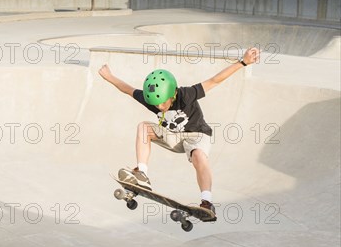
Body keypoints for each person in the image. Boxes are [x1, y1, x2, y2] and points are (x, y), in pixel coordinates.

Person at [99, 48, 260, 219]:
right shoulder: (151, 100)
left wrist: (243, 62)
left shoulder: (186, 94)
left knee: (198, 156)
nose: (159, 107)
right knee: (143, 127)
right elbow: (128, 89)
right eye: (156, 104)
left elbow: (214, 81)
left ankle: (207, 202)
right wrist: (110, 77)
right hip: (174, 137)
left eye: (162, 103)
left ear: (172, 94)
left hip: (197, 135)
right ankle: (142, 174)